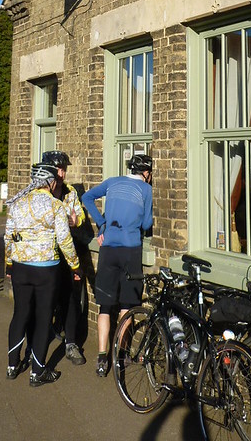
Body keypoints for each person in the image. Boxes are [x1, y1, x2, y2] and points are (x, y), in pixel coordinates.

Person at [5, 163, 81, 387]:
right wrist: (75, 266)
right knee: (42, 319)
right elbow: (65, 240)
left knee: (20, 314)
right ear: (50, 182)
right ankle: (37, 372)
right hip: (46, 269)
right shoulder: (55, 206)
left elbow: (8, 237)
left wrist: (9, 263)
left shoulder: (17, 204)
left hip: (20, 266)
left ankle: (12, 366)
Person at [81, 153, 153, 377]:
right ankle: (121, 355)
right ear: (146, 173)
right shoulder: (146, 190)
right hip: (131, 250)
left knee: (104, 306)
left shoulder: (112, 182)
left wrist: (102, 223)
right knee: (127, 306)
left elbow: (86, 198)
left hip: (108, 250)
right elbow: (147, 223)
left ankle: (102, 357)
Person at [41, 149, 89, 366]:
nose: (62, 173)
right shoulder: (39, 193)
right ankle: (37, 346)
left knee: (71, 299)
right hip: (44, 255)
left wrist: (75, 221)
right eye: (59, 169)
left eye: (64, 169)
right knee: (44, 300)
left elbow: (80, 217)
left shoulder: (70, 193)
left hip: (68, 254)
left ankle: (71, 343)